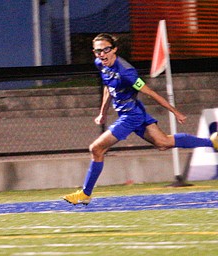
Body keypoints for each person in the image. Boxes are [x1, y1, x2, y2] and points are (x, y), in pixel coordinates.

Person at [63, 33, 218, 205]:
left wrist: (175, 112)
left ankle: (85, 193)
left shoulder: (127, 72)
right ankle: (212, 142)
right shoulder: (100, 64)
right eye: (98, 51)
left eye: (105, 49)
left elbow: (150, 93)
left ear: (114, 49)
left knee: (96, 148)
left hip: (131, 116)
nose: (101, 54)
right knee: (163, 142)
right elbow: (108, 87)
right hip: (133, 112)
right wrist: (103, 113)